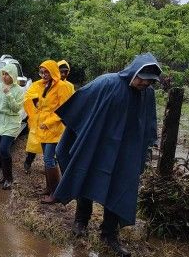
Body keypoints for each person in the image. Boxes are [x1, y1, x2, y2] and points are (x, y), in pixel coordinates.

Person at [53, 53, 161, 257]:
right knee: (87, 177)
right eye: (142, 78)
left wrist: (145, 149)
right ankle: (81, 221)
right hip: (97, 146)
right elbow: (80, 105)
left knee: (120, 188)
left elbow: (148, 123)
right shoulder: (107, 83)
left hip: (126, 153)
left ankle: (109, 234)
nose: (144, 83)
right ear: (134, 71)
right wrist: (76, 136)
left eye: (149, 81)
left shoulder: (148, 94)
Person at [24, 60, 73, 203]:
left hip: (54, 129)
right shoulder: (43, 85)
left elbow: (64, 109)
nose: (44, 75)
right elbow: (33, 98)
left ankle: (55, 194)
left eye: (46, 72)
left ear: (53, 72)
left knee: (49, 159)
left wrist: (48, 122)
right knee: (47, 159)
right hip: (43, 128)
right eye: (42, 72)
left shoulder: (62, 87)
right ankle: (49, 188)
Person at [0, 64, 24, 190]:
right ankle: (4, 176)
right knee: (1, 151)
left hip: (12, 122)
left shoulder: (19, 90)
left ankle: (9, 178)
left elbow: (17, 108)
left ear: (13, 75)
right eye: (3, 74)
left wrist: (8, 94)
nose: (5, 76)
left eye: (7, 74)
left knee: (4, 149)